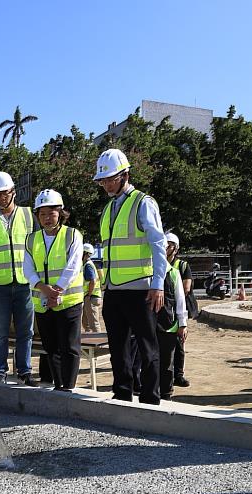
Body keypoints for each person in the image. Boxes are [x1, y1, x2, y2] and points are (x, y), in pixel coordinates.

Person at [94, 148, 168, 405]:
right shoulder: (107, 209)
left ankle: (150, 397)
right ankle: (122, 392)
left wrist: (158, 284)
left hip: (141, 290)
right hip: (114, 290)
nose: (105, 184)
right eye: (102, 180)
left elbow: (158, 245)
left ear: (125, 175)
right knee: (118, 348)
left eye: (109, 179)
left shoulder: (143, 202)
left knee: (148, 347)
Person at [0, 171, 36, 386]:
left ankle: (25, 371)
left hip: (24, 283)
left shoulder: (29, 216)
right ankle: (0, 371)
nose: (2, 198)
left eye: (5, 193)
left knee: (25, 331)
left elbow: (36, 249)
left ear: (13, 192)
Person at [24, 189, 84, 391]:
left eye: (51, 213)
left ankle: (68, 387)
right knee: (51, 348)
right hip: (43, 303)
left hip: (68, 302)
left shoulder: (72, 235)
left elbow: (73, 266)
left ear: (60, 213)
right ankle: (58, 386)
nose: (47, 218)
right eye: (42, 214)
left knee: (69, 347)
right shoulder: (31, 239)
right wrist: (43, 288)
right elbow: (28, 268)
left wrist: (56, 291)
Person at [157, 235, 188, 400]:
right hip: (150, 324)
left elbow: (180, 300)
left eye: (169, 246)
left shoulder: (174, 273)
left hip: (169, 325)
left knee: (167, 363)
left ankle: (166, 393)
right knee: (150, 360)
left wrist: (183, 324)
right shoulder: (149, 271)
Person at [167, 233, 197, 387]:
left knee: (179, 344)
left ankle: (178, 375)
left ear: (176, 248)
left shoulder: (182, 266)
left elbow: (185, 288)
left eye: (170, 245)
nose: (166, 247)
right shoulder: (155, 263)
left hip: (177, 310)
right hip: (164, 311)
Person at [81, 243, 102, 333]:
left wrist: (89, 294)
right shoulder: (86, 264)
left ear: (85, 253)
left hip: (91, 296)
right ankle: (89, 342)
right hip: (89, 296)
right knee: (87, 323)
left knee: (93, 324)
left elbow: (92, 281)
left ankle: (99, 345)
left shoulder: (88, 265)